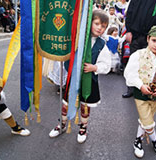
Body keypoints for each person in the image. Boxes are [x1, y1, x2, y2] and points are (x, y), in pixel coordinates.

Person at [48, 8, 113, 145]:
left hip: (90, 81)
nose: (100, 28)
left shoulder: (102, 45)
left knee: (85, 106)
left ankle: (83, 127)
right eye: (97, 24)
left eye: (103, 26)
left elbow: (106, 64)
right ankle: (63, 124)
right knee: (66, 103)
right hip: (73, 79)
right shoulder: (78, 38)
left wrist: (94, 67)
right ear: (89, 22)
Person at [124, 24, 156, 158]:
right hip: (140, 95)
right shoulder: (138, 55)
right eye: (154, 40)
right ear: (148, 39)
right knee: (147, 121)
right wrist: (140, 85)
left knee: (145, 119)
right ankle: (155, 141)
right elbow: (129, 73)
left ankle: (138, 141)